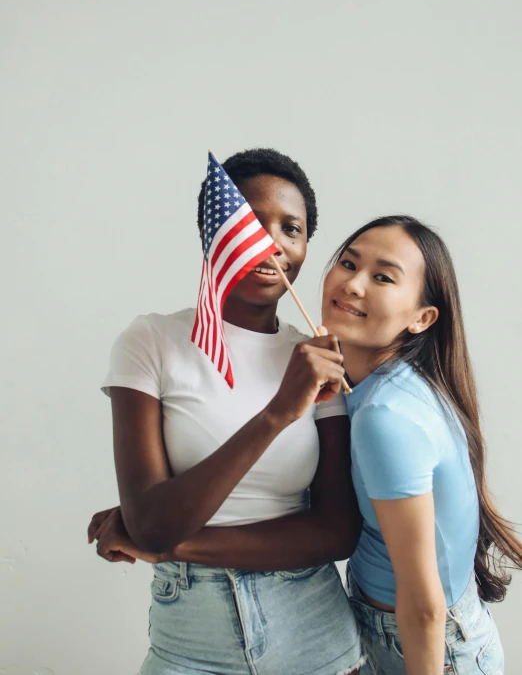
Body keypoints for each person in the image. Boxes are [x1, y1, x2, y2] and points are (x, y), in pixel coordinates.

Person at [89, 149, 364, 675]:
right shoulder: (152, 341)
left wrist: (171, 545)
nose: (273, 243)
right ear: (213, 234)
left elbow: (335, 531)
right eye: (251, 223)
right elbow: (151, 520)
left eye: (292, 228)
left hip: (313, 630)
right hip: (190, 637)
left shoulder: (318, 357)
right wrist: (278, 413)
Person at [319, 215, 522, 674]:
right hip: (413, 630)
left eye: (383, 277)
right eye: (348, 263)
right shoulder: (381, 386)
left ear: (422, 318)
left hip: (426, 645)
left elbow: (425, 604)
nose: (353, 283)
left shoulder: (384, 415)